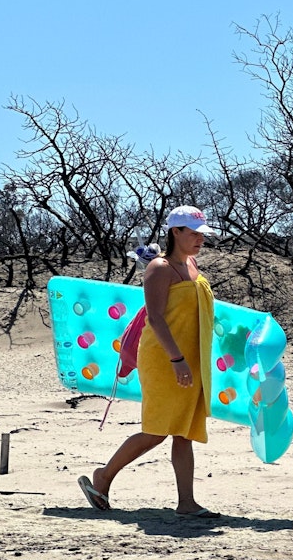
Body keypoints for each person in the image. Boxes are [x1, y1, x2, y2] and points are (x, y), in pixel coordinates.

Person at [77, 205, 220, 517]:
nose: (199, 239)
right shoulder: (159, 268)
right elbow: (155, 318)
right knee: (157, 429)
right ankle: (103, 476)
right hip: (165, 359)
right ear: (175, 232)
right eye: (193, 233)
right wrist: (177, 358)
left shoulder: (192, 265)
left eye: (202, 234)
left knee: (185, 431)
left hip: (191, 360)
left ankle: (186, 503)